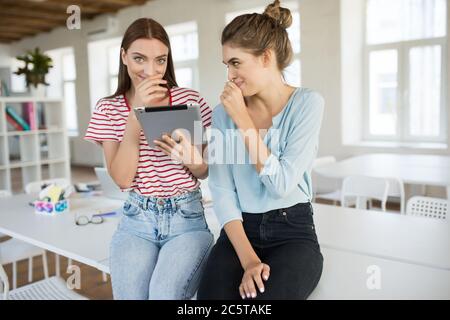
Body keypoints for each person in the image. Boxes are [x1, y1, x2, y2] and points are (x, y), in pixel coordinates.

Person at [198, 0, 324, 300]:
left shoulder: (307, 104)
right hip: (239, 232)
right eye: (226, 65)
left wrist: (242, 119)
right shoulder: (222, 113)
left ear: (266, 57)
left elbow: (280, 184)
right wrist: (248, 260)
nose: (230, 75)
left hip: (292, 232)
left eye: (236, 63)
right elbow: (222, 190)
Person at [84, 18, 213, 300]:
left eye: (160, 60)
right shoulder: (108, 109)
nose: (150, 70)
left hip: (186, 218)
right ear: (123, 57)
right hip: (136, 220)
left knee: (163, 294)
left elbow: (204, 171)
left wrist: (192, 161)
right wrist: (135, 116)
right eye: (139, 58)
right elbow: (121, 179)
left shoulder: (189, 99)